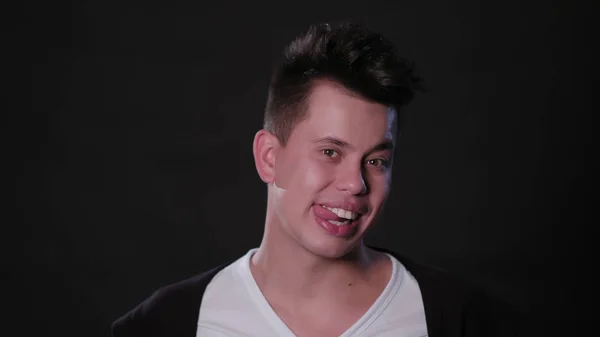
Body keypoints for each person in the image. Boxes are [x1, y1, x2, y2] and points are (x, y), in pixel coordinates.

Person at [111, 21, 521, 337]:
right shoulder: (166, 325)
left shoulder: (462, 319)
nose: (356, 184)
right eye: (330, 152)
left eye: (376, 161)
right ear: (270, 157)